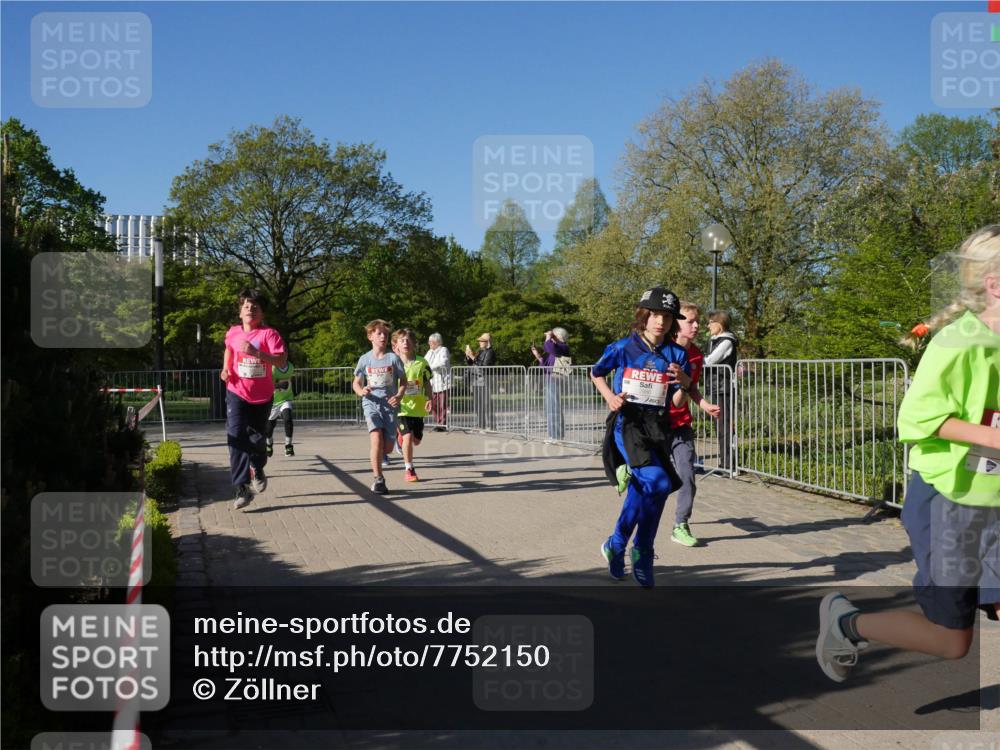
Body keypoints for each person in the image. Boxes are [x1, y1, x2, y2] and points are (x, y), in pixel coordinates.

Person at [816, 225, 1000, 683]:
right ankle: (846, 622)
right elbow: (916, 420)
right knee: (951, 642)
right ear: (995, 284)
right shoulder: (958, 343)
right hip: (948, 502)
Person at [591, 287, 693, 588]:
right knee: (659, 483)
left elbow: (677, 403)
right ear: (644, 316)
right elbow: (596, 372)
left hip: (658, 427)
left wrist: (685, 384)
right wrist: (610, 396)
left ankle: (616, 543)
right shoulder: (624, 347)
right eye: (655, 315)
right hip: (629, 423)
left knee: (644, 487)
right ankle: (643, 551)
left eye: (666, 316)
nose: (660, 321)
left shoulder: (677, 354)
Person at [221, 289, 287, 510]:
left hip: (261, 396)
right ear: (240, 312)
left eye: (255, 306)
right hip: (236, 390)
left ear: (262, 313)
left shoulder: (270, 335)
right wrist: (225, 369)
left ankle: (257, 467)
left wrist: (256, 353)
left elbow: (281, 361)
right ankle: (241, 487)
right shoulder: (233, 332)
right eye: (246, 305)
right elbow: (229, 350)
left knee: (258, 440)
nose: (250, 309)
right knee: (235, 436)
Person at [668, 302, 721, 547]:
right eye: (690, 321)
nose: (697, 325)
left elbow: (691, 389)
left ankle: (681, 523)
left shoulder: (697, 354)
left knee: (687, 474)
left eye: (697, 320)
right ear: (676, 325)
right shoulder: (661, 350)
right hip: (654, 425)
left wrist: (704, 404)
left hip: (680, 423)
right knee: (650, 480)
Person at [353, 319, 407, 495]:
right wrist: (361, 391)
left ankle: (385, 452)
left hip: (389, 406)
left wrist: (398, 396)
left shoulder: (393, 358)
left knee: (388, 447)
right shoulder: (364, 359)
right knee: (375, 438)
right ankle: (378, 479)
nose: (383, 336)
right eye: (379, 333)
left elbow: (404, 382)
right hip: (371, 403)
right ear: (370, 336)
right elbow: (356, 383)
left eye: (385, 334)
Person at [393, 328, 433, 482]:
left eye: (409, 340)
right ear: (396, 344)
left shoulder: (421, 362)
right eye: (402, 340)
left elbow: (427, 383)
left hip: (418, 407)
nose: (406, 343)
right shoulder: (393, 362)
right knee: (408, 437)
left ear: (414, 344)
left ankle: (400, 438)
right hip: (400, 406)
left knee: (416, 440)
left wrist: (430, 399)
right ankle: (409, 469)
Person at [703, 310, 739, 470]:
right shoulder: (716, 340)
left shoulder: (726, 341)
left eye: (711, 322)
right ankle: (726, 463)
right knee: (721, 425)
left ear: (720, 323)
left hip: (723, 388)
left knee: (724, 425)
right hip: (718, 387)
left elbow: (709, 361)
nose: (708, 325)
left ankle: (728, 465)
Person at [532, 327, 571, 441]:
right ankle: (552, 435)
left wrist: (549, 337)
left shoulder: (563, 347)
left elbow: (549, 347)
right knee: (550, 408)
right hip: (550, 380)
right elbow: (547, 366)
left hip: (556, 380)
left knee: (554, 408)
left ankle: (557, 436)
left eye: (554, 336)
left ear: (559, 337)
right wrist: (538, 356)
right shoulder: (556, 350)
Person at [465, 333, 497, 430]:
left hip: (485, 380)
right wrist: (468, 356)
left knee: (487, 403)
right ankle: (481, 425)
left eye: (482, 341)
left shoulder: (490, 352)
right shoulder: (480, 351)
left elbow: (484, 366)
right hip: (476, 380)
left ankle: (492, 426)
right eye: (479, 341)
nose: (479, 342)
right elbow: (471, 363)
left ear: (488, 342)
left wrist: (472, 356)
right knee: (478, 404)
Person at [265, 361, 295, 457]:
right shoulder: (271, 367)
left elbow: (290, 380)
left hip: (286, 399)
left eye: (284, 353)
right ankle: (269, 444)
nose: (282, 356)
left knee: (288, 418)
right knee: (269, 429)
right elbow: (266, 384)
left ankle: (288, 445)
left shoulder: (290, 366)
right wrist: (279, 385)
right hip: (273, 401)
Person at [425, 333, 451, 432]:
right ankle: (437, 422)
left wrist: (431, 367)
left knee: (442, 404)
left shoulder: (443, 350)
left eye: (431, 341)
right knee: (434, 404)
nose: (429, 343)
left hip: (442, 381)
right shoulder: (430, 351)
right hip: (433, 382)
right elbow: (424, 362)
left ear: (437, 342)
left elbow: (443, 362)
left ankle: (442, 424)